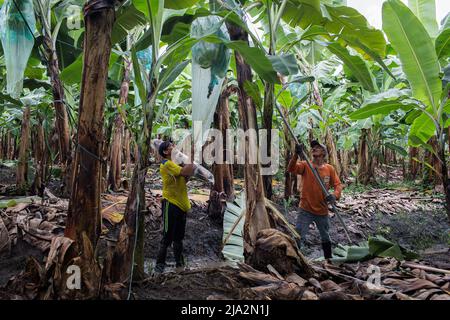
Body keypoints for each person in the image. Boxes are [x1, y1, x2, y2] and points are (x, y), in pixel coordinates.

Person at [287, 140, 343, 259]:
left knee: (325, 236)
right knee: (299, 235)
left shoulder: (329, 169)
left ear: (323, 152)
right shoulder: (305, 165)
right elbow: (291, 169)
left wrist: (334, 195)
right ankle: (295, 259)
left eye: (317, 147)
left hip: (322, 210)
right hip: (305, 208)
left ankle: (329, 260)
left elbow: (338, 185)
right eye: (312, 148)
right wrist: (296, 154)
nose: (313, 149)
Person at [154, 141, 196, 274]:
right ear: (166, 152)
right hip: (170, 204)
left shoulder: (175, 163)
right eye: (171, 146)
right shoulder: (166, 164)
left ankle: (180, 264)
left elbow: (185, 177)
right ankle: (159, 266)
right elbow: (185, 171)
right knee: (167, 237)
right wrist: (193, 159)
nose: (174, 148)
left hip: (181, 205)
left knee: (178, 238)